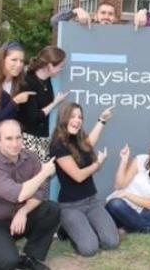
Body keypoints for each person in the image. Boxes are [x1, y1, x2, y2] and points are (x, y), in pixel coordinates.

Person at [0, 120, 60, 270]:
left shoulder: (31, 157)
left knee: (51, 209)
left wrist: (23, 211)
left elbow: (39, 192)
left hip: (16, 219)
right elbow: (20, 194)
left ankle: (30, 257)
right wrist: (44, 173)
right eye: (9, 138)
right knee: (7, 261)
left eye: (18, 137)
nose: (15, 143)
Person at [50, 102, 119, 257]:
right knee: (89, 249)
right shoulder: (57, 145)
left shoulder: (78, 138)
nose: (77, 120)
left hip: (92, 202)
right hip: (71, 206)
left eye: (80, 117)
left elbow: (89, 144)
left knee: (111, 242)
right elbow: (78, 176)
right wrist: (97, 164)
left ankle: (86, 226)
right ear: (63, 118)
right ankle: (66, 229)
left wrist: (102, 120)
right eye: (72, 116)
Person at [17, 46, 69, 161]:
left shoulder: (47, 80)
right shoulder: (28, 82)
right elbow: (33, 116)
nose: (62, 69)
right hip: (27, 138)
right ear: (50, 66)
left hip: (43, 138)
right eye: (61, 66)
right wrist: (55, 103)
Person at [50, 1, 118, 29]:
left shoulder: (122, 35)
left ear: (115, 18)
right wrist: (75, 11)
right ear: (95, 16)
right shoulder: (84, 28)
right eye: (103, 13)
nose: (106, 17)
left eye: (110, 14)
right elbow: (55, 21)